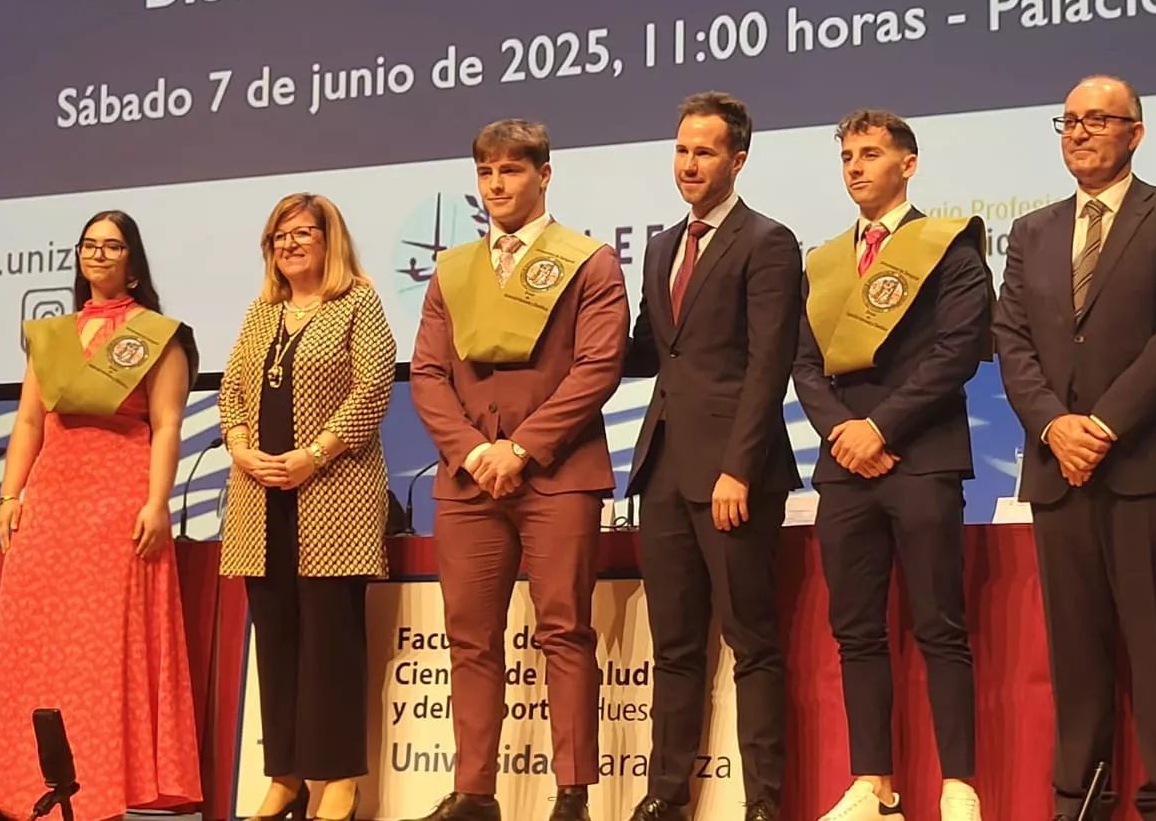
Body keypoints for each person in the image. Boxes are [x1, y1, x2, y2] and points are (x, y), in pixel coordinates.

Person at [992, 75, 1156, 821]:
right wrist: (1057, 426)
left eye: (1098, 119)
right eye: (1069, 121)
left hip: (1146, 467)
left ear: (1135, 133)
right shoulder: (1030, 232)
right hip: (1060, 472)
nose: (1080, 132)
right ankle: (1078, 804)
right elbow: (1012, 341)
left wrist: (1104, 426)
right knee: (1076, 657)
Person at [406, 119, 629, 821]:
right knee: (470, 638)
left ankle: (573, 793)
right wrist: (474, 451)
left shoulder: (590, 261)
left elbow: (597, 368)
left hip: (557, 475)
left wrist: (523, 448)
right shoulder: (452, 269)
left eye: (511, 170)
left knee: (564, 630)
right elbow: (428, 373)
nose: (497, 184)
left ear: (544, 174)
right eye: (486, 172)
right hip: (468, 481)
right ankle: (475, 791)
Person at [792, 110, 992, 821]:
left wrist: (880, 425)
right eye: (846, 155)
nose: (855, 166)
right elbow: (805, 364)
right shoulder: (821, 262)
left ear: (908, 164)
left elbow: (958, 352)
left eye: (870, 153)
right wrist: (845, 432)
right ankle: (872, 783)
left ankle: (959, 784)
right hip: (844, 465)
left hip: (923, 456)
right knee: (856, 630)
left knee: (940, 625)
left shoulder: (948, 250)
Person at [0, 210, 203, 821]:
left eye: (112, 246)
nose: (98, 254)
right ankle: (23, 780)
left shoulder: (157, 334)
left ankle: (104, 786)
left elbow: (167, 425)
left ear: (132, 262)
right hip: (51, 504)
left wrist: (156, 503)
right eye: (90, 245)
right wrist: (10, 495)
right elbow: (29, 421)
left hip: (117, 502)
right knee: (39, 646)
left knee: (103, 650)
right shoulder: (51, 336)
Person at [623, 92, 802, 821]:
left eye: (704, 151)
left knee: (752, 643)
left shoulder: (768, 241)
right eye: (681, 150)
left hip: (734, 473)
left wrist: (740, 466)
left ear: (738, 159)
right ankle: (667, 798)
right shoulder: (664, 245)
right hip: (664, 467)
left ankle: (763, 803)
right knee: (674, 646)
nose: (689, 163)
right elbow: (645, 348)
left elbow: (768, 365)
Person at [218, 193, 397, 821]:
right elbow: (232, 389)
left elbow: (373, 388)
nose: (289, 245)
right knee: (278, 643)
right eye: (278, 236)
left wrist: (312, 456)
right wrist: (239, 447)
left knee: (332, 645)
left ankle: (340, 779)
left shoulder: (358, 302)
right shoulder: (261, 312)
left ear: (329, 240)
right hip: (259, 504)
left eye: (301, 234)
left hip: (332, 498)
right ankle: (287, 775)